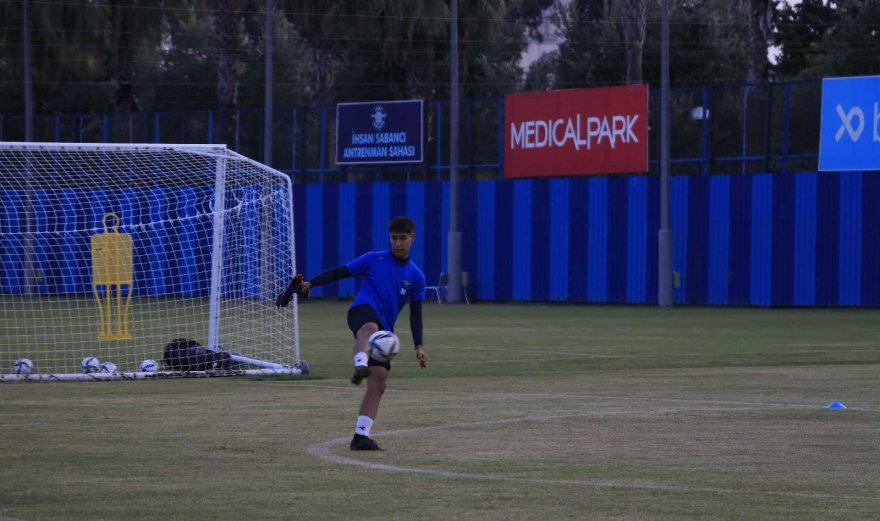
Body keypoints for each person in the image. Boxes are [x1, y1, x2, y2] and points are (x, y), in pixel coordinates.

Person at [279, 216, 428, 451]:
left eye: (403, 238)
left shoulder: (416, 276)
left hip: (384, 330)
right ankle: (360, 364)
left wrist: (419, 346)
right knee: (370, 329)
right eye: (394, 238)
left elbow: (416, 314)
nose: (398, 243)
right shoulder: (373, 259)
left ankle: (361, 437)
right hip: (361, 310)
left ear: (412, 239)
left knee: (378, 382)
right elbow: (340, 272)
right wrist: (310, 284)